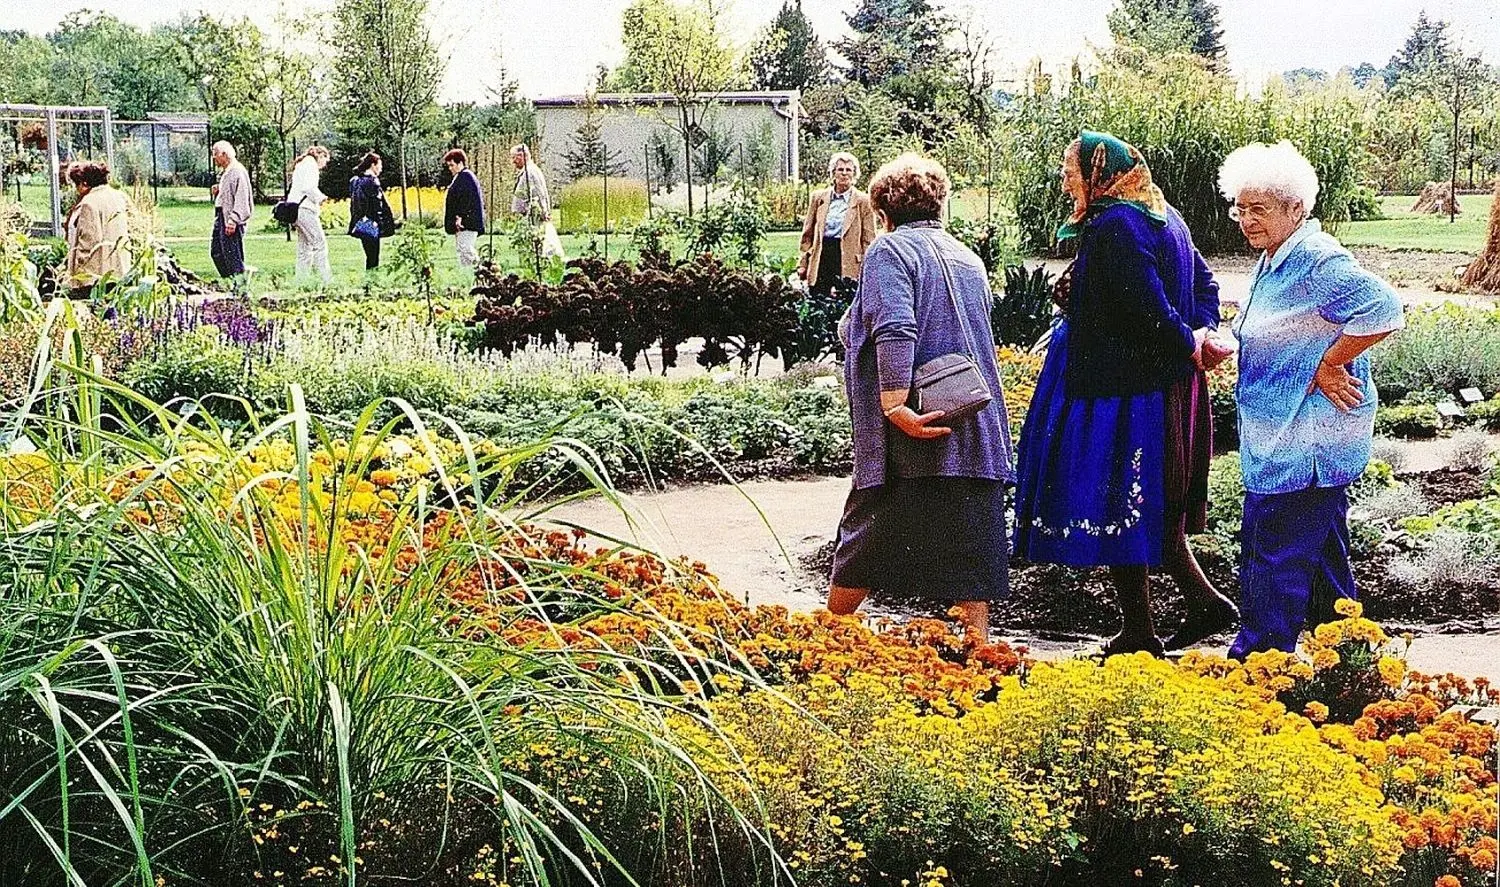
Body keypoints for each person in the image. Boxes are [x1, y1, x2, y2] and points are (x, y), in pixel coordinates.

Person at [1012, 131, 1239, 658]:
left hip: (1123, 391)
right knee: (1145, 505)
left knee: (1121, 499)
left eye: (1071, 170)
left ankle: (1145, 628)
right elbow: (1205, 286)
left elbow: (1144, 304)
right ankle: (1189, 610)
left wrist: (1188, 342)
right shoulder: (1164, 213)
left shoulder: (1116, 222)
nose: (1065, 180)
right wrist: (1201, 336)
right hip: (1159, 385)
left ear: (1099, 173)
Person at [1219, 141, 1404, 659]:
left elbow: (1384, 308)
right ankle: (1351, 663)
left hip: (1304, 442)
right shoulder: (1276, 257)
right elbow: (1282, 327)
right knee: (1323, 563)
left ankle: (1257, 666)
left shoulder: (1316, 259)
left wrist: (1331, 361)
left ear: (1295, 209)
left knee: (1272, 555)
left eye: (1259, 209)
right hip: (1281, 434)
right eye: (1240, 207)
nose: (1245, 220)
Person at [826, 153, 1015, 642]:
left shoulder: (889, 253)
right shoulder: (965, 257)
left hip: (916, 426)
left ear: (883, 214)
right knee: (971, 544)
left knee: (866, 532)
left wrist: (893, 406)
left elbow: (896, 327)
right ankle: (978, 652)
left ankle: (828, 638)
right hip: (974, 421)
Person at [798, 152, 878, 296]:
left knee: (846, 302)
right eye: (840, 169)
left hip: (848, 259)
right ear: (833, 173)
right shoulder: (818, 198)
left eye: (849, 170)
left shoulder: (863, 201)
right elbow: (807, 235)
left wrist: (868, 268)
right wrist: (803, 263)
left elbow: (869, 239)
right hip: (822, 256)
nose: (844, 174)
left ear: (854, 175)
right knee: (818, 300)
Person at [63, 161, 131, 300]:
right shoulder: (118, 196)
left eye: (78, 184)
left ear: (85, 183)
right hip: (119, 268)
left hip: (95, 274)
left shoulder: (90, 202)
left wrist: (76, 271)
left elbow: (89, 241)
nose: (77, 189)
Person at [210, 140, 252, 285]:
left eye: (215, 154)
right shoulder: (227, 172)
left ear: (224, 154)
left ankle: (240, 288)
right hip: (221, 215)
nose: (213, 158)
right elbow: (229, 195)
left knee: (232, 255)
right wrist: (219, 191)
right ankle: (231, 283)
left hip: (230, 219)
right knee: (217, 252)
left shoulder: (237, 171)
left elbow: (242, 197)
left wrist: (233, 220)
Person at [288, 145, 332, 284]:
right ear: (321, 155)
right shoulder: (311, 164)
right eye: (325, 160)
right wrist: (321, 197)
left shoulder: (301, 164)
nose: (324, 165)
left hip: (295, 209)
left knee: (304, 247)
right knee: (320, 244)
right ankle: (326, 279)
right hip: (305, 208)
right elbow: (309, 188)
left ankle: (301, 280)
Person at [510, 144, 562, 259]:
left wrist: (544, 211)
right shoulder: (526, 171)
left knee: (538, 240)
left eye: (514, 157)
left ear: (522, 155)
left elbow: (540, 193)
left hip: (534, 215)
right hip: (528, 215)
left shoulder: (531, 172)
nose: (513, 161)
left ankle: (541, 260)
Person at [348, 151, 397, 272]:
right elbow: (377, 205)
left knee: (369, 255)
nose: (381, 169)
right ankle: (371, 282)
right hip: (371, 222)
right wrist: (381, 223)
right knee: (373, 257)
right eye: (380, 165)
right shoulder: (372, 181)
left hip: (361, 222)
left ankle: (370, 282)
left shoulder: (356, 181)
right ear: (373, 165)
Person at [443, 148, 486, 269]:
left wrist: (460, 217)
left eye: (452, 165)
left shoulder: (466, 178)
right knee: (463, 250)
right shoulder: (461, 177)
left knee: (466, 250)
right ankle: (471, 273)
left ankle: (482, 272)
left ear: (460, 163)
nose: (450, 168)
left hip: (467, 223)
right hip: (464, 223)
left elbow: (466, 200)